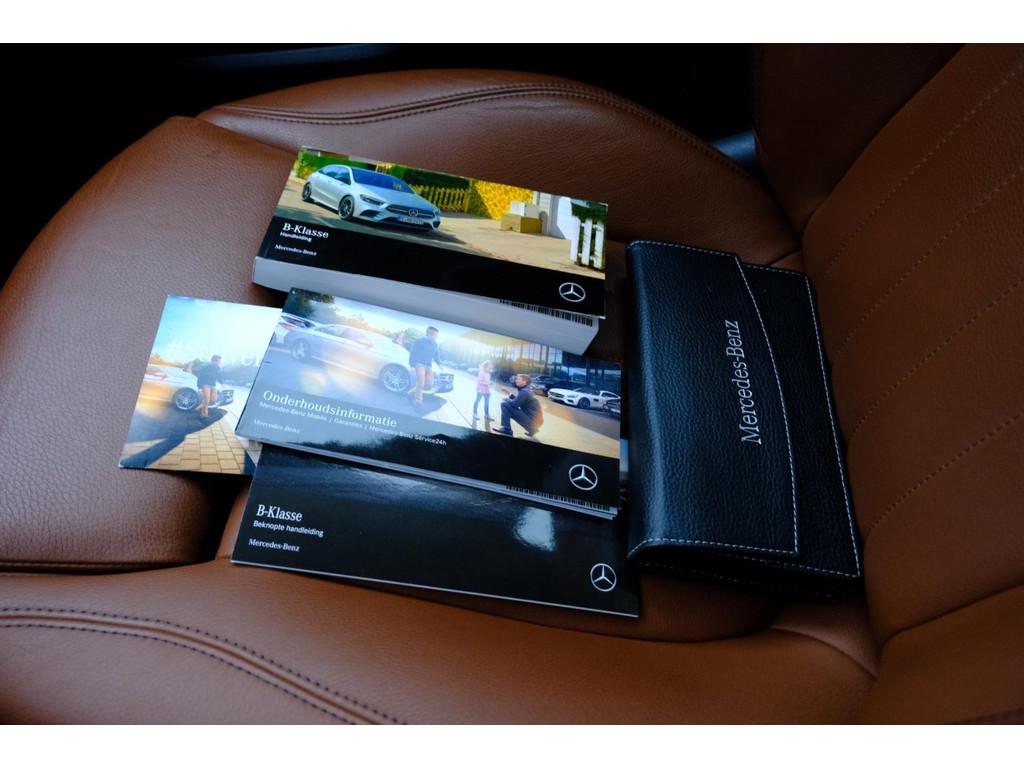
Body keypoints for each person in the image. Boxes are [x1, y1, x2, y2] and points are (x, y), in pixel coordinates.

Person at [408, 326, 442, 405]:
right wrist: (412, 366)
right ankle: (418, 401)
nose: (436, 337)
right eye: (435, 335)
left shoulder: (435, 344)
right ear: (429, 334)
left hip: (429, 366)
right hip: (419, 364)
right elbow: (413, 353)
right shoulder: (419, 341)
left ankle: (410, 393)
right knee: (421, 383)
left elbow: (436, 355)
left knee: (429, 385)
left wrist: (439, 364)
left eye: (437, 335)